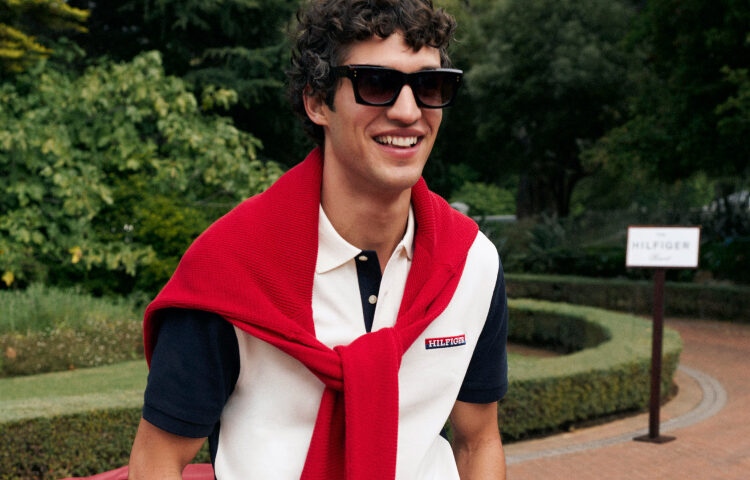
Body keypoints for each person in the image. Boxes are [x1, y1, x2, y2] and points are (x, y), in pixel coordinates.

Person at [128, 0, 509, 479]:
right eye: (376, 84)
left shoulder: (472, 262)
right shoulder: (227, 269)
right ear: (317, 102)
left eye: (430, 86)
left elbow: (478, 440)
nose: (408, 111)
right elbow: (157, 459)